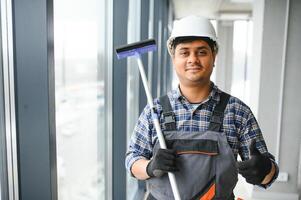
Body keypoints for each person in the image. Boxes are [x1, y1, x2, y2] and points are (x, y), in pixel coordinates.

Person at [125, 15, 279, 200]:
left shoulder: (237, 112)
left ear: (214, 56)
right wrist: (150, 166)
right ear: (173, 59)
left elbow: (267, 176)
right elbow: (132, 161)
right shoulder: (154, 111)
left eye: (201, 52)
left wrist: (264, 169)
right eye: (184, 52)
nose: (193, 59)